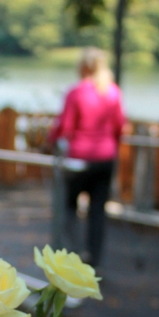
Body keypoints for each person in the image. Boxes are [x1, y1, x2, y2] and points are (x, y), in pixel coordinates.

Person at [49, 48, 125, 267]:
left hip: (78, 159)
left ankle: (73, 254)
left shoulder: (77, 93)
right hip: (105, 158)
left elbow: (65, 127)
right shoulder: (112, 92)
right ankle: (94, 257)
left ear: (82, 67)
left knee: (69, 206)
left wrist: (50, 140)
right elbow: (120, 126)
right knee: (98, 210)